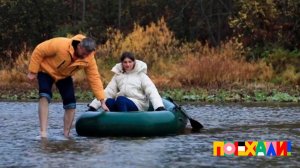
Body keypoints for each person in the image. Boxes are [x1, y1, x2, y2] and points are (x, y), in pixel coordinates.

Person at [27, 34, 109, 138]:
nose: (85, 56)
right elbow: (39, 50)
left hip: (64, 76)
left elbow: (94, 77)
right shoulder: (61, 44)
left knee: (71, 104)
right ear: (79, 46)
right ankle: (43, 132)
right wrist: (33, 70)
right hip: (46, 70)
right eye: (83, 53)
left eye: (87, 54)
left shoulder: (89, 58)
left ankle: (66, 134)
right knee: (44, 95)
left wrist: (101, 100)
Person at [88, 51, 165, 112]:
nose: (127, 64)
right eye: (125, 62)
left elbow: (152, 91)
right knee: (109, 101)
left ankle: (124, 123)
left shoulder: (141, 76)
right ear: (122, 63)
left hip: (138, 103)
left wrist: (159, 107)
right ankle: (113, 123)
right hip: (122, 103)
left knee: (121, 100)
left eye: (130, 62)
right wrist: (93, 106)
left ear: (134, 62)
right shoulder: (118, 76)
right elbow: (108, 91)